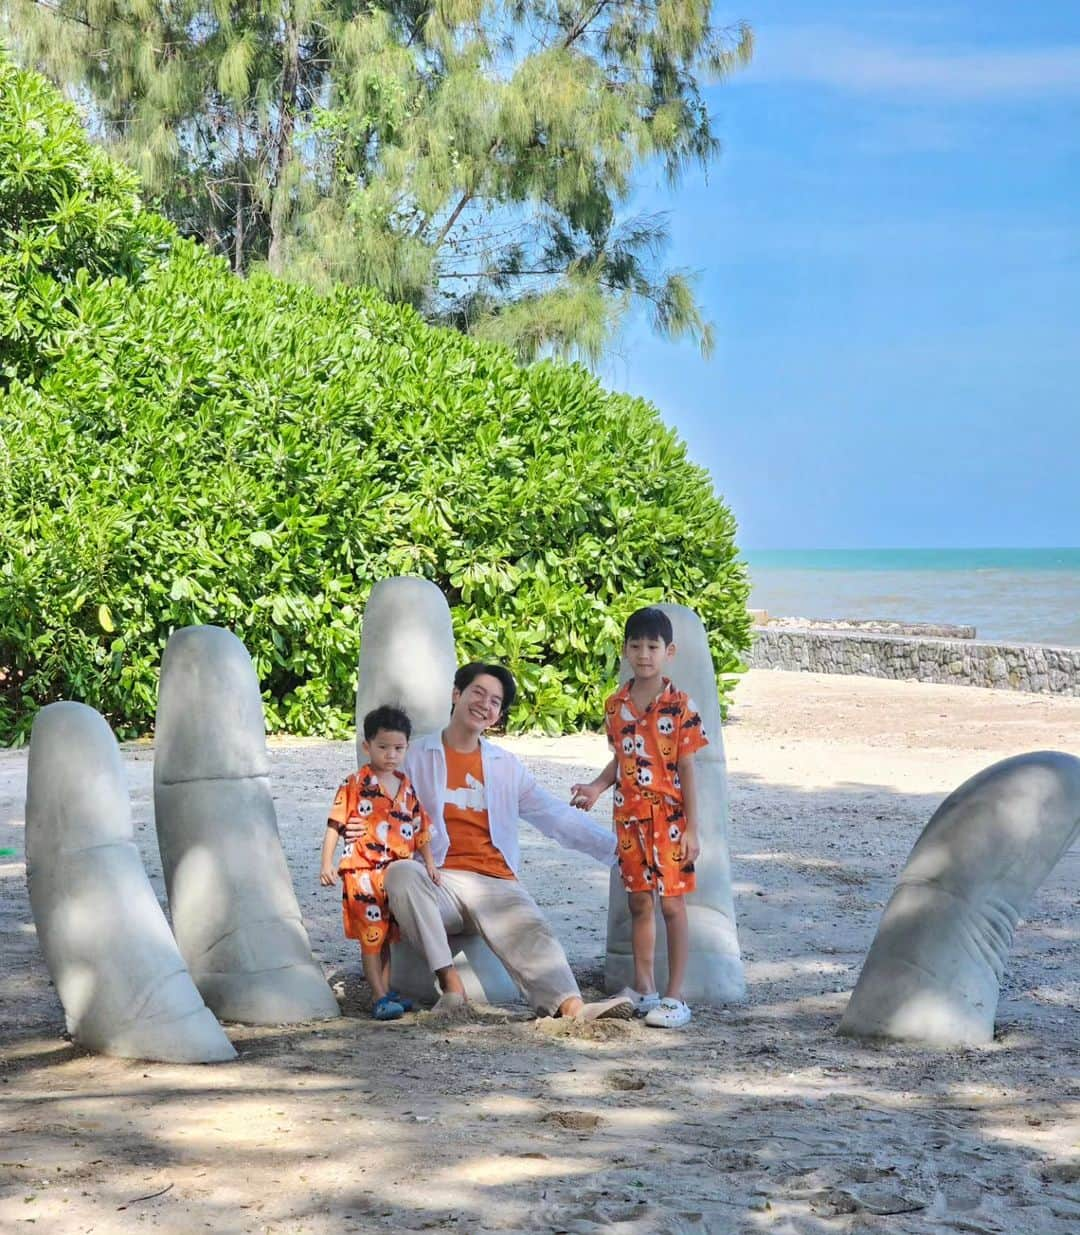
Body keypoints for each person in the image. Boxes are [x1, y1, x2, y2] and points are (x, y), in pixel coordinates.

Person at [349, 663, 634, 1021]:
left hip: (494, 880)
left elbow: (555, 816)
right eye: (478, 693)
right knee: (402, 873)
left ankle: (573, 1009)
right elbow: (376, 797)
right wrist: (359, 826)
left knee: (532, 930)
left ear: (498, 716)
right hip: (438, 885)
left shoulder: (505, 766)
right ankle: (452, 988)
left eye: (495, 701)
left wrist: (619, 850)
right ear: (457, 694)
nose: (484, 704)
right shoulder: (416, 756)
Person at [570, 607, 707, 1028]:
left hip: (669, 821)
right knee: (639, 904)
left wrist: (694, 829)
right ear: (625, 650)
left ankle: (676, 996)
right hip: (628, 821)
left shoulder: (681, 706)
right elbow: (621, 758)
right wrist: (596, 787)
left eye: (652, 647)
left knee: (672, 907)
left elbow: (687, 769)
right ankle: (645, 989)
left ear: (669, 652)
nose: (643, 654)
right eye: (636, 646)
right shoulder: (616, 706)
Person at [320, 704, 447, 1021]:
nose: (391, 754)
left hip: (394, 873)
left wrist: (430, 864)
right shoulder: (354, 784)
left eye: (398, 748)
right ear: (367, 746)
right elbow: (335, 824)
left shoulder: (406, 786)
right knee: (372, 938)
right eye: (383, 747)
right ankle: (378, 996)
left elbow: (421, 829)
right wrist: (327, 863)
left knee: (388, 936)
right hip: (362, 873)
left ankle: (386, 992)